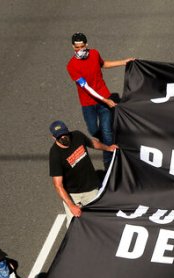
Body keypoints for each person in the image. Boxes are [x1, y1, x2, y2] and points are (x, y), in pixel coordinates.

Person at [66, 32, 134, 168]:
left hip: (104, 99)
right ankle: (108, 144)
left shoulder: (95, 54)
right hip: (88, 104)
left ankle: (109, 165)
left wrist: (124, 62)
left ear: (87, 45)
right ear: (72, 47)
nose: (79, 50)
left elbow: (103, 64)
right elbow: (86, 87)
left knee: (107, 132)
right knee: (93, 130)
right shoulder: (71, 66)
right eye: (76, 48)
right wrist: (106, 101)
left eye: (82, 47)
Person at [49, 120, 117, 220]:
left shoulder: (77, 136)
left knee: (98, 219)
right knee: (75, 225)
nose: (64, 137)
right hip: (74, 196)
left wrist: (108, 148)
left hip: (92, 189)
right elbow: (58, 184)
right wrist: (71, 206)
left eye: (64, 134)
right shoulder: (55, 155)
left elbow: (92, 143)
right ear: (53, 138)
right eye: (60, 136)